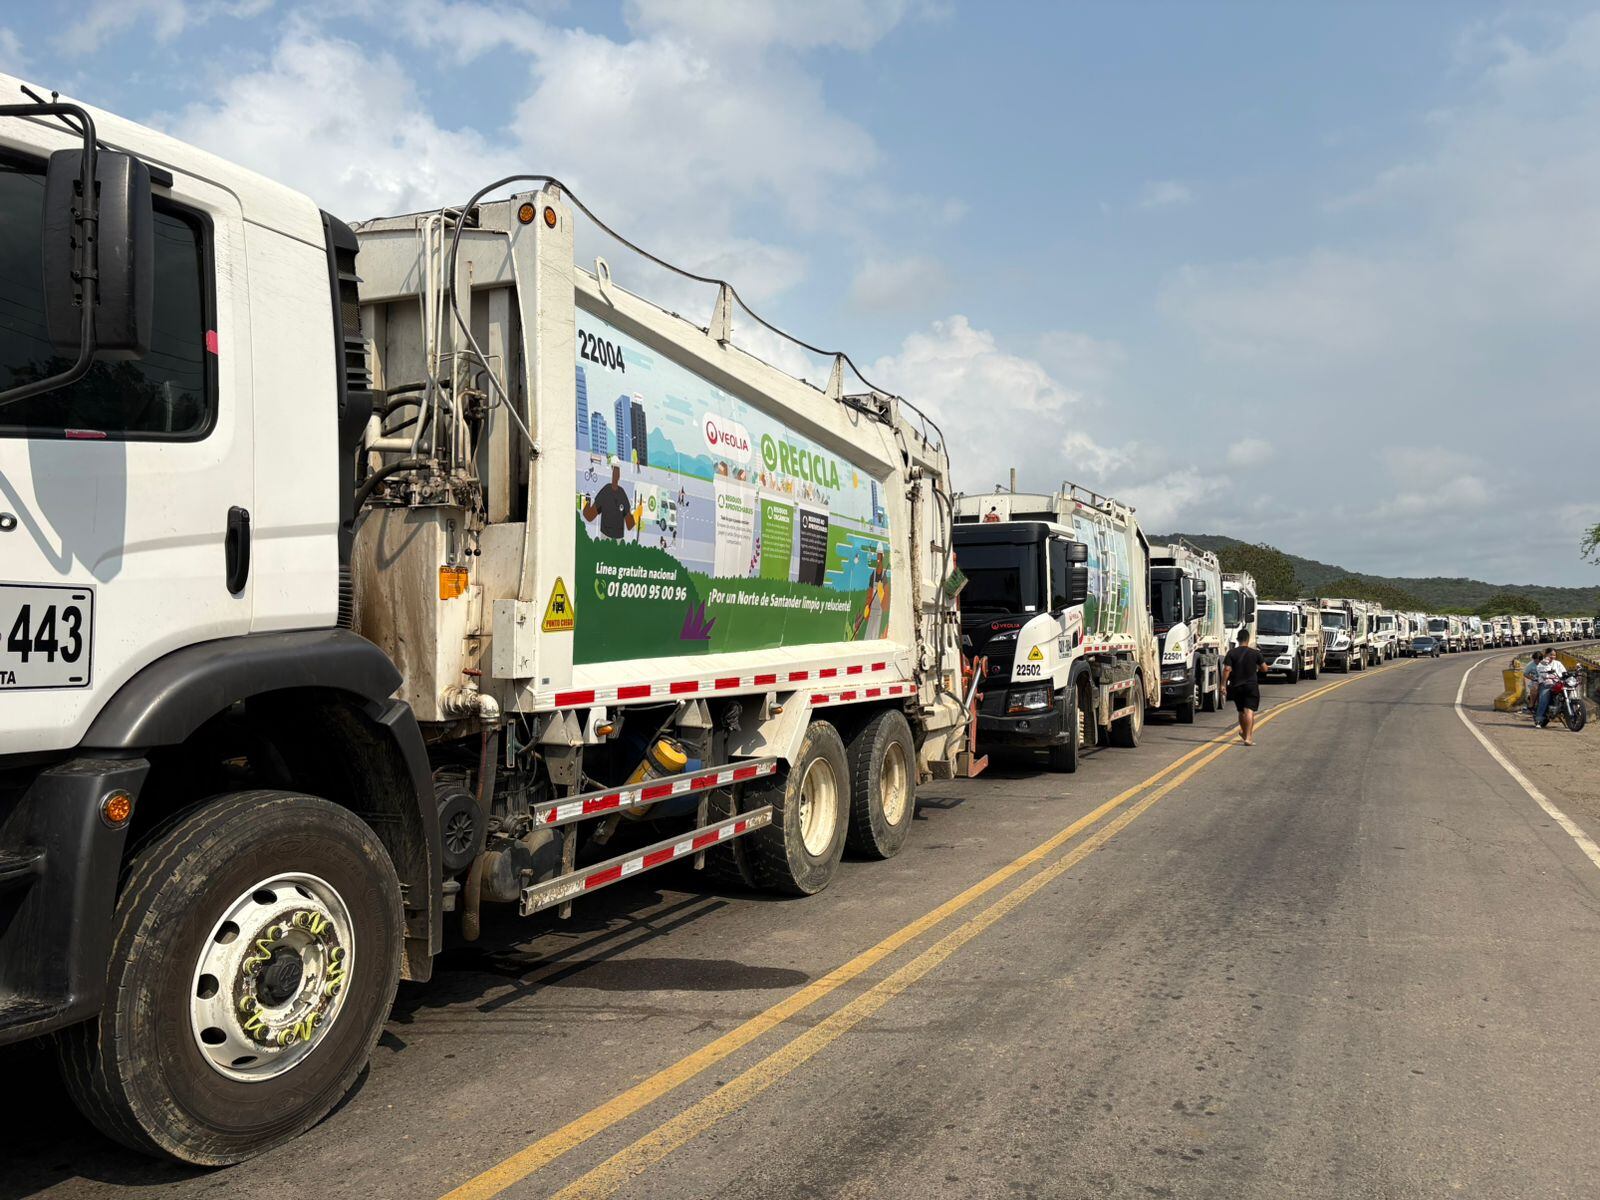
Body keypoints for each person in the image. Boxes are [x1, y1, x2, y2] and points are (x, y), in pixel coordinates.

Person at [1222, 627, 1266, 744]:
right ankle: (1248, 738)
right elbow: (1264, 668)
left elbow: (1227, 669)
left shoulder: (1231, 653)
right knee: (1249, 710)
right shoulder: (1255, 653)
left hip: (1236, 686)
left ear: (1237, 639)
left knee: (1241, 711)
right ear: (1248, 639)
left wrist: (1223, 685)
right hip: (1251, 686)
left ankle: (1243, 732)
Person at [581, 456, 635, 540]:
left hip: (610, 540)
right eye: (616, 469)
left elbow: (589, 516)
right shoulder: (615, 492)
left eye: (616, 470)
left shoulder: (610, 492)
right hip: (613, 540)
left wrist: (586, 504)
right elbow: (630, 524)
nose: (616, 473)